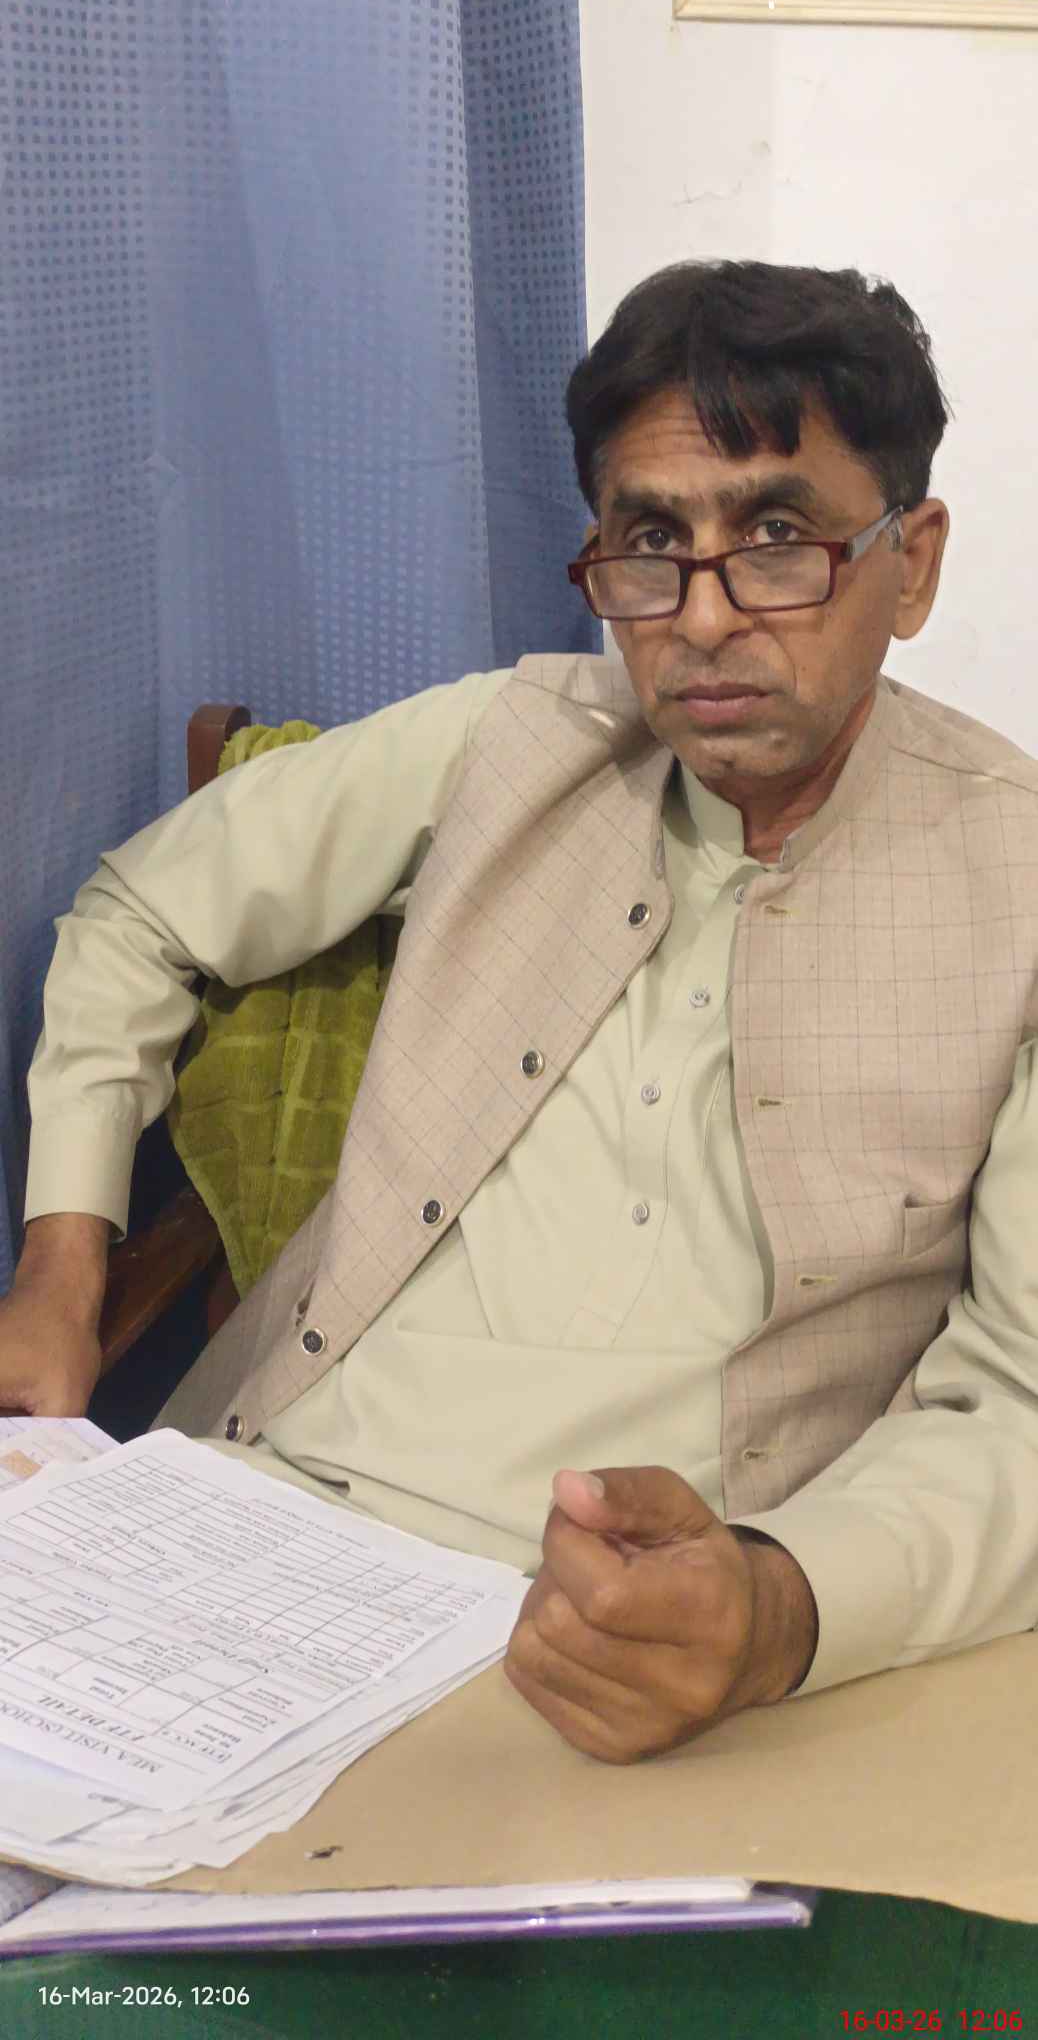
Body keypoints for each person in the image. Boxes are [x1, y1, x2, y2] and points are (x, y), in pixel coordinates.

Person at [7, 259, 1038, 1769]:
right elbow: (141, 913)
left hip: (626, 1632)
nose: (701, 619)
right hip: (247, 1520)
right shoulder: (510, 744)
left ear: (914, 561)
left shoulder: (1015, 882)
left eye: (774, 539)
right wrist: (60, 1261)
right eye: (649, 544)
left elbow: (1020, 1403)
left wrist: (775, 1607)